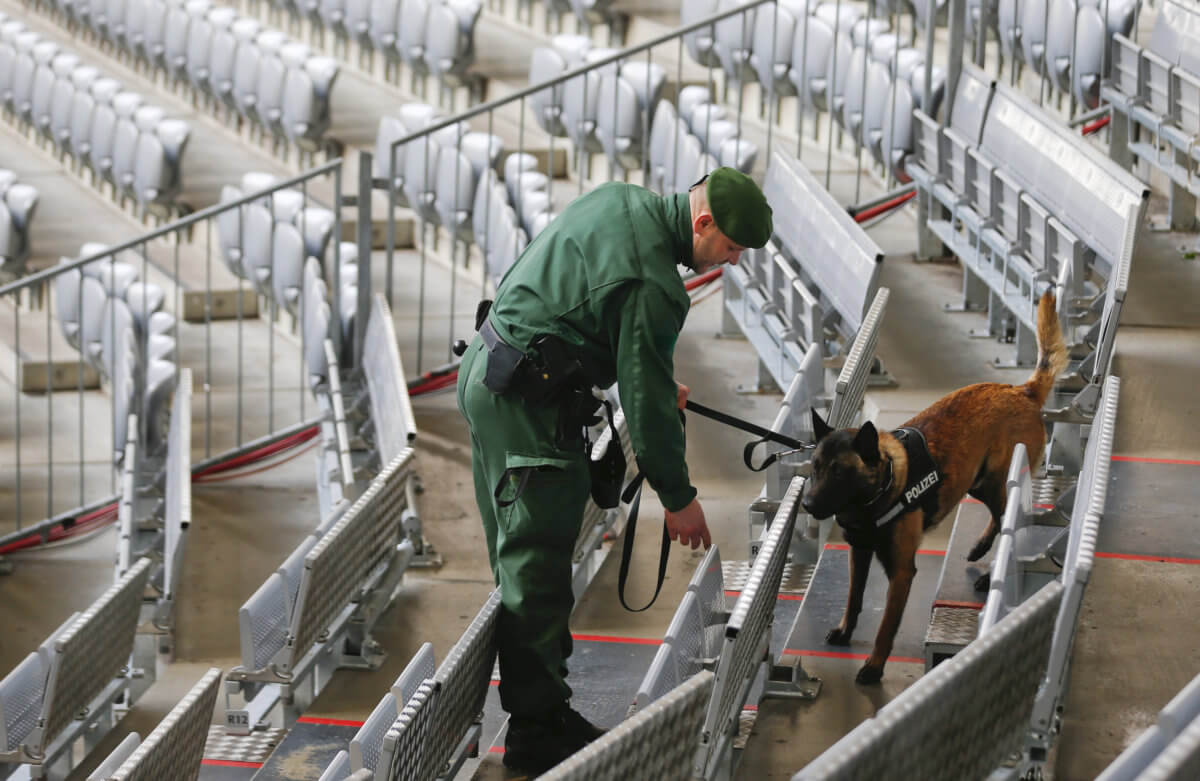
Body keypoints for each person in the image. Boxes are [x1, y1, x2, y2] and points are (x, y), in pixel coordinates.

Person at [455, 167, 773, 774]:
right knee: (537, 570)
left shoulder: (624, 200)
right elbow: (649, 411)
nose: (728, 262)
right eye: (729, 248)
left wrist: (644, 371)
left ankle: (545, 707)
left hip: (492, 370)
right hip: (526, 409)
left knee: (524, 561)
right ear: (702, 224)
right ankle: (536, 733)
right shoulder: (654, 281)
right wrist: (679, 498)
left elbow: (585, 308)